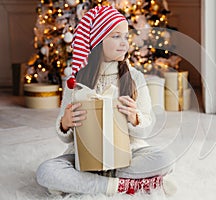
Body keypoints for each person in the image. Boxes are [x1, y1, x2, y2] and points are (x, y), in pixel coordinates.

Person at [36, 5, 175, 196]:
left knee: (165, 158)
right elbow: (64, 136)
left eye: (125, 36)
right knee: (46, 171)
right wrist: (65, 124)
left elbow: (147, 128)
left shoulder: (135, 78)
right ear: (97, 41)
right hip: (84, 158)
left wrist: (135, 118)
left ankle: (90, 182)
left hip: (127, 155)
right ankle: (116, 186)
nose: (124, 43)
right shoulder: (76, 81)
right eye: (116, 36)